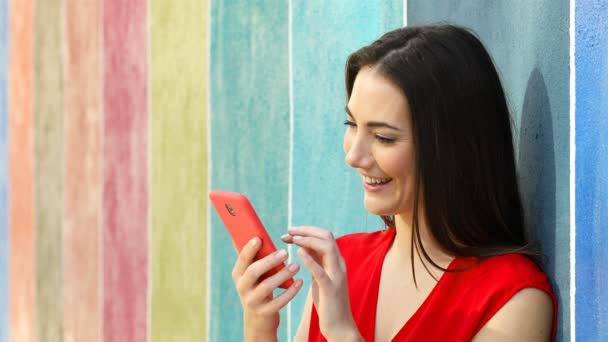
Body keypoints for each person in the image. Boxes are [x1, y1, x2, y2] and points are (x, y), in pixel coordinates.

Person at [231, 24, 557, 341]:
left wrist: (343, 334)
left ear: (453, 147)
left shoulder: (514, 299)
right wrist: (260, 325)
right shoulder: (342, 264)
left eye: (383, 137)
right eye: (352, 124)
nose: (354, 156)